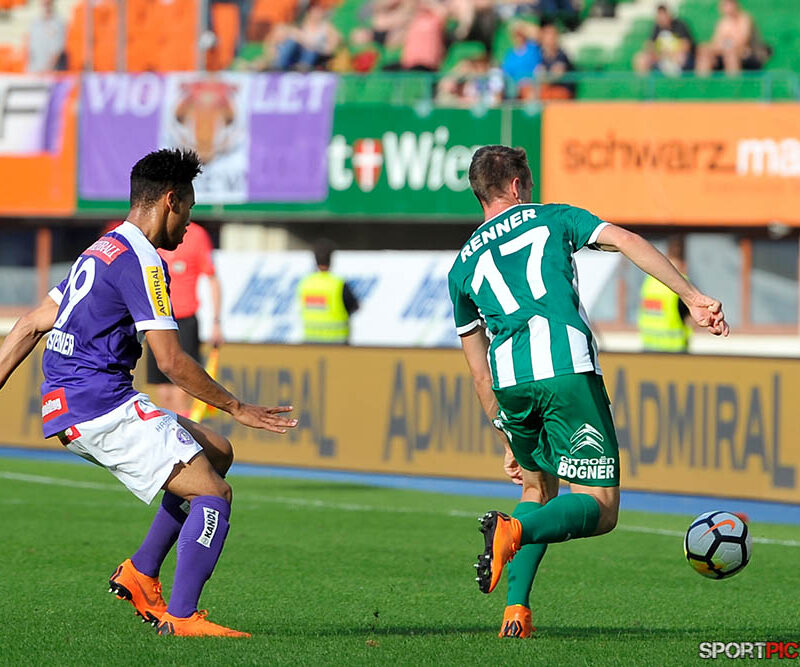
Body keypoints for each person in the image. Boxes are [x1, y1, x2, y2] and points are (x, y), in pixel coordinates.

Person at [0, 149, 297, 637]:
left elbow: (32, 323)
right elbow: (172, 362)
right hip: (99, 404)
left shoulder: (102, 248)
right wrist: (238, 407)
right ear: (170, 200)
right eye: (189, 211)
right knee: (214, 493)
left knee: (216, 452)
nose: (187, 225)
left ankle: (141, 571)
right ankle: (182, 618)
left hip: (73, 400)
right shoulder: (142, 259)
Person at [447, 145, 729, 638]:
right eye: (528, 184)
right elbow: (626, 240)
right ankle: (514, 532)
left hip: (511, 383)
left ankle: (516, 612)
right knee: (600, 508)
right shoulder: (552, 218)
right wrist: (692, 296)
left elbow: (476, 369)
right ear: (517, 187)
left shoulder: (462, 266)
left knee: (536, 488)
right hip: (565, 370)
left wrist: (504, 436)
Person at [146, 221, 223, 416]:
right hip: (157, 320)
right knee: (163, 391)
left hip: (185, 319)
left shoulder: (196, 235)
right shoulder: (155, 232)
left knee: (183, 387)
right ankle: (166, 438)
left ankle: (183, 440)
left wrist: (216, 321)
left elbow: (212, 279)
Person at [297, 239, 359, 344]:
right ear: (331, 260)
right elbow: (354, 306)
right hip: (337, 341)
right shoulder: (337, 283)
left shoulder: (305, 283)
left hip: (310, 339)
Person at [638, 236, 692, 352]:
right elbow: (690, 317)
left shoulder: (649, 281)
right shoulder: (682, 284)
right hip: (674, 348)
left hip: (648, 344)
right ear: (683, 262)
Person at [695, 0, 770, 76]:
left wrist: (725, 46)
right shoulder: (723, 22)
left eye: (728, 4)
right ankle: (701, 84)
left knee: (730, 54)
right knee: (704, 52)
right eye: (724, 5)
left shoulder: (745, 19)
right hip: (725, 50)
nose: (726, 8)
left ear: (735, 5)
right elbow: (716, 42)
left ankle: (733, 85)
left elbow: (742, 42)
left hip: (746, 53)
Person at [634, 4, 695, 76]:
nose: (662, 18)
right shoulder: (656, 27)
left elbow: (686, 45)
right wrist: (658, 54)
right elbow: (649, 45)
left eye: (664, 15)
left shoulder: (679, 25)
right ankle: (644, 84)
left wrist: (670, 55)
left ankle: (676, 83)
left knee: (680, 57)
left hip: (676, 56)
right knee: (641, 58)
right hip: (661, 57)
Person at [27, 0, 66, 73]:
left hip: (50, 73)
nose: (45, 3)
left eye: (47, 2)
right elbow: (31, 49)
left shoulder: (58, 23)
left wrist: (48, 69)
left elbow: (58, 50)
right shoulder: (35, 23)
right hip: (35, 71)